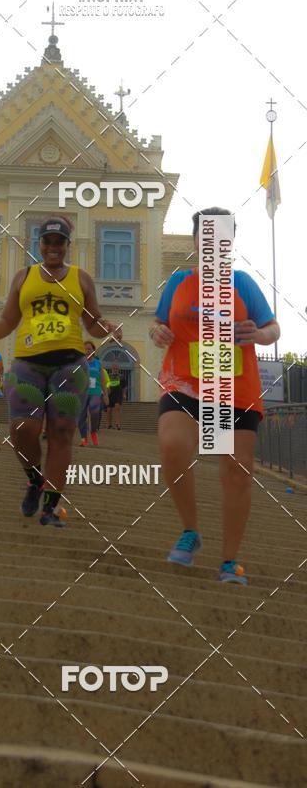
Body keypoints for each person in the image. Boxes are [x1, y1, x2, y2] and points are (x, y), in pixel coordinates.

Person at [151, 207, 280, 585]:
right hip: (185, 382)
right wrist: (158, 331)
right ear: (195, 242)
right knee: (173, 446)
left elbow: (273, 329)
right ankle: (191, 531)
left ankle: (229, 560)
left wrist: (259, 334)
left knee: (235, 473)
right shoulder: (178, 282)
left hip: (234, 387)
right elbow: (160, 321)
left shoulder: (242, 283)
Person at [0, 214, 122, 526]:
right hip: (28, 363)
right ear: (39, 244)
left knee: (61, 433)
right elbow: (8, 320)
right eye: (48, 241)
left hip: (69, 364)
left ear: (67, 245)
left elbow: (92, 325)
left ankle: (50, 508)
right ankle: (34, 478)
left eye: (60, 242)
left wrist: (106, 326)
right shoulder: (24, 277)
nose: (54, 247)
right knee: (22, 429)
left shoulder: (81, 279)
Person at [79, 341, 109, 446]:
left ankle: (93, 431)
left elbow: (102, 379)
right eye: (85, 349)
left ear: (93, 351)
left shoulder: (98, 363)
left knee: (95, 410)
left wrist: (105, 394)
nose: (87, 351)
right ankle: (83, 438)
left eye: (89, 349)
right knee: (81, 416)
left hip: (95, 391)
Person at [105, 362, 126, 429]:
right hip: (110, 394)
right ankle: (109, 424)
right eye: (114, 368)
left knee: (117, 407)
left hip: (118, 394)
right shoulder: (108, 376)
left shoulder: (122, 376)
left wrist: (124, 394)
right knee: (109, 410)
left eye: (116, 368)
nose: (115, 369)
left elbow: (124, 387)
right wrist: (106, 393)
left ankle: (117, 424)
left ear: (118, 369)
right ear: (111, 369)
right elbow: (106, 385)